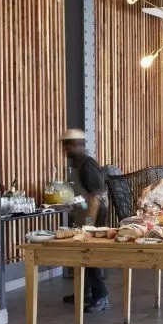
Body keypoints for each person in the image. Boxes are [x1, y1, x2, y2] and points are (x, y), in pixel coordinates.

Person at [60, 129, 110, 313]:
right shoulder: (77, 163)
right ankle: (85, 292)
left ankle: (101, 296)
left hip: (94, 217)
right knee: (82, 254)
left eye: (67, 145)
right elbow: (81, 195)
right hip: (84, 215)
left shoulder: (88, 165)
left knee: (90, 255)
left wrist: (89, 224)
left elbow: (95, 198)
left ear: (75, 145)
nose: (65, 149)